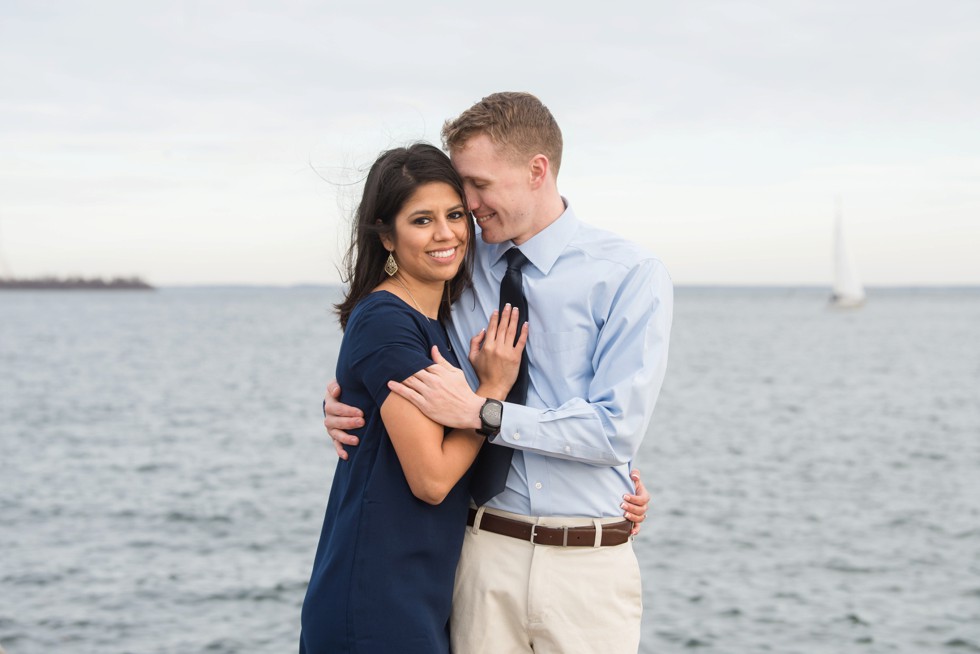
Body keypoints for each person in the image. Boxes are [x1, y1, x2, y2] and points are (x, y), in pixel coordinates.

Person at [324, 92, 673, 654]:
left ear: (537, 170)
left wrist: (488, 413)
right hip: (479, 556)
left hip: (587, 567)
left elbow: (615, 429)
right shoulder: (459, 260)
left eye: (477, 186)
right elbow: (390, 335)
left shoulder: (629, 274)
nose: (465, 206)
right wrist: (346, 402)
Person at [299, 143, 528, 653]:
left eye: (453, 215)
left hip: (417, 589)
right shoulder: (388, 320)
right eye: (421, 220)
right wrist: (490, 392)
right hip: (377, 598)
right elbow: (431, 479)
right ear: (386, 236)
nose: (445, 234)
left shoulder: (428, 322)